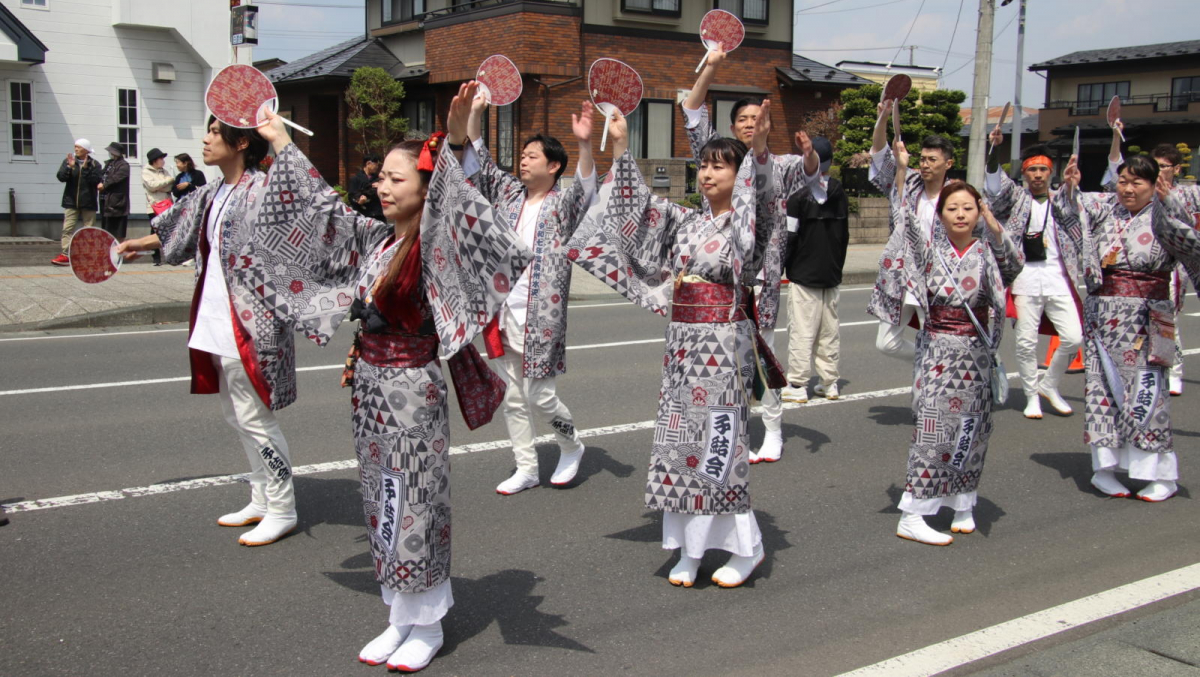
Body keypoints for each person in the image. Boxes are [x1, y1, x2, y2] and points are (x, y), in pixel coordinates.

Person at [234, 82, 530, 671]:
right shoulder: (376, 239)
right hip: (371, 390)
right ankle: (399, 611)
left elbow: (462, 209)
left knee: (416, 500)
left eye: (398, 178)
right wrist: (278, 145)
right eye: (382, 177)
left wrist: (452, 142)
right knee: (382, 499)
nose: (382, 186)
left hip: (412, 393)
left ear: (426, 188)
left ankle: (430, 622)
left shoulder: (435, 244)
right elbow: (321, 212)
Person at [569, 99, 820, 589]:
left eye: (719, 165)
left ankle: (746, 547)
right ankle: (687, 547)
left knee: (717, 448)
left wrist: (761, 147)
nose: (707, 173)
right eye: (702, 164)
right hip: (683, 348)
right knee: (678, 444)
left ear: (740, 174)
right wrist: (620, 147)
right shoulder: (686, 221)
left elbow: (764, 200)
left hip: (723, 348)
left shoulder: (751, 222)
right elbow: (637, 210)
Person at [117, 121, 299, 547]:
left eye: (215, 132)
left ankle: (283, 506)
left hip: (251, 324)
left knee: (256, 419)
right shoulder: (212, 191)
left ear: (240, 143)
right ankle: (260, 498)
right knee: (236, 415)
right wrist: (135, 244)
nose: (205, 139)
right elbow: (175, 230)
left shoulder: (263, 190)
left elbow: (299, 224)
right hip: (215, 317)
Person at [682, 43, 820, 463]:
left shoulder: (778, 165)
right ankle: (722, 431)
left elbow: (811, 171)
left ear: (767, 124)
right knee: (718, 362)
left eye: (756, 119)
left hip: (760, 281)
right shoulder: (717, 158)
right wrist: (711, 67)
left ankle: (773, 430)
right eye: (742, 119)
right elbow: (691, 111)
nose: (749, 124)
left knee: (761, 357)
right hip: (715, 281)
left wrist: (809, 152)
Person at [886, 138, 1024, 545]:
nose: (960, 214)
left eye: (968, 207)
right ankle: (914, 511)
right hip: (939, 352)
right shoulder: (929, 250)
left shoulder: (987, 250)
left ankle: (963, 501)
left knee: (974, 428)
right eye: (952, 208)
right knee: (934, 429)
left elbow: (1014, 265)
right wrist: (901, 168)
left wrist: (995, 227)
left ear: (978, 212)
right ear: (941, 215)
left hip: (977, 354)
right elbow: (904, 219)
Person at [458, 96, 596, 495]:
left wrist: (585, 144)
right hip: (502, 312)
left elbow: (588, 188)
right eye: (522, 155)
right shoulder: (508, 195)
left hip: (543, 315)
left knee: (541, 395)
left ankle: (571, 445)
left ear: (553, 166)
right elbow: (479, 161)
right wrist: (476, 115)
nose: (523, 161)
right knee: (514, 397)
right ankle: (526, 467)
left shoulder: (563, 203)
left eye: (532, 156)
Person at [1056, 153, 1200, 502]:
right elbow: (1068, 211)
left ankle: (1160, 474)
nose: (1128, 189)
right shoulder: (1105, 207)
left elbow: (1190, 243)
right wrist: (1070, 185)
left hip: (1147, 318)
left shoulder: (1165, 212)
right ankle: (1103, 470)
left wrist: (1168, 204)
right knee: (1102, 393)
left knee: (1148, 394)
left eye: (1138, 182)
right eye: (1123, 181)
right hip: (1103, 314)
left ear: (1154, 185)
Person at [984, 132, 1083, 419]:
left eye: (1043, 169)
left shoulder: (1063, 199)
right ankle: (1031, 397)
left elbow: (1079, 212)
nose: (1037, 175)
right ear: (1024, 172)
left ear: (1051, 172)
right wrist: (994, 150)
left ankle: (1049, 385)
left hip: (1058, 280)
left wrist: (1072, 185)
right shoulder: (1015, 198)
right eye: (1031, 169)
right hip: (1025, 280)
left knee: (1073, 338)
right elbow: (993, 184)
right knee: (1026, 343)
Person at [1101, 131, 1197, 397]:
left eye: (1165, 166)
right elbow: (1113, 183)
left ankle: (1172, 370)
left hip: (1170, 266)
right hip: (1134, 269)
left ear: (1176, 168)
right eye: (1157, 164)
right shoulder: (1129, 197)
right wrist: (1116, 138)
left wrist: (1169, 202)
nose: (1161, 170)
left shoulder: (1188, 194)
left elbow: (1187, 226)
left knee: (1167, 318)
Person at [867, 100, 957, 360]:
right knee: (887, 343)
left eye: (933, 160)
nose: (926, 164)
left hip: (939, 279)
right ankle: (935, 361)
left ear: (947, 164)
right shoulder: (911, 181)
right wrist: (883, 117)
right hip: (903, 276)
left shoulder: (956, 195)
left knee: (936, 335)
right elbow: (879, 152)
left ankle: (935, 378)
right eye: (923, 159)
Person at [781, 134, 848, 414]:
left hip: (804, 273)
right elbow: (844, 236)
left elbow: (790, 236)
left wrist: (784, 266)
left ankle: (797, 385)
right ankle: (828, 382)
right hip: (831, 273)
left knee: (802, 330)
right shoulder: (840, 192)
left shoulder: (798, 196)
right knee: (828, 330)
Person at [51, 138, 101, 265]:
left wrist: (84, 170)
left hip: (88, 202)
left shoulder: (95, 164)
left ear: (86, 150)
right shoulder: (68, 161)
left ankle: (87, 254)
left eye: (78, 147)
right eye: (75, 146)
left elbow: (95, 181)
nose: (76, 149)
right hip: (71, 201)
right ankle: (65, 254)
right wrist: (70, 167)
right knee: (67, 228)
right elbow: (61, 177)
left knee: (88, 229)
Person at [142, 148, 174, 266]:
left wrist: (161, 186)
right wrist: (166, 182)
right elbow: (151, 186)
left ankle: (169, 255)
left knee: (168, 230)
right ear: (154, 160)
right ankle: (156, 258)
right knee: (155, 231)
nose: (163, 161)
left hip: (167, 204)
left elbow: (170, 187)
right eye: (161, 158)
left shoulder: (164, 171)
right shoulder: (146, 171)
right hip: (154, 205)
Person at [98, 143, 131, 240]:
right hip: (105, 200)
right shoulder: (109, 163)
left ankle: (118, 251)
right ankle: (108, 251)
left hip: (117, 202)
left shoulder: (124, 165)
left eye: (111, 151)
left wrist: (104, 185)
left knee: (117, 229)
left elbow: (115, 178)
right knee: (106, 228)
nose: (109, 153)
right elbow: (101, 175)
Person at [349, 155, 385, 220]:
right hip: (362, 214)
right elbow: (351, 196)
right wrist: (359, 201)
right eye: (375, 165)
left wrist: (381, 186)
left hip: (378, 214)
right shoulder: (356, 179)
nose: (377, 167)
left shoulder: (379, 179)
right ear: (368, 164)